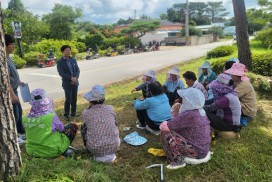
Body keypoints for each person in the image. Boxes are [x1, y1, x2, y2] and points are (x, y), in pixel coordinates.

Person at [160, 88, 211, 169]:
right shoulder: (200, 111)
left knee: (165, 133)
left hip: (197, 151)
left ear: (188, 101)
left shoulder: (189, 114)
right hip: (203, 149)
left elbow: (166, 126)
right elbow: (179, 124)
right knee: (173, 130)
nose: (182, 100)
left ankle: (177, 161)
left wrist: (173, 114)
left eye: (184, 99)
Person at [22, 88, 78, 158]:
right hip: (52, 150)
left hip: (32, 151)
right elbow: (62, 129)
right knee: (72, 126)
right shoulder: (51, 116)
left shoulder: (24, 118)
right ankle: (64, 149)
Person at [81, 85, 120, 163]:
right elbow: (115, 123)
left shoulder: (86, 113)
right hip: (114, 145)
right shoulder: (110, 108)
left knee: (84, 127)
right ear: (104, 99)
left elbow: (87, 124)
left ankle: (89, 148)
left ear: (90, 101)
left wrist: (89, 107)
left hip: (95, 149)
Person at [5, 34, 25, 144]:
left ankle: (21, 133)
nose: (13, 46)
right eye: (11, 44)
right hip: (10, 92)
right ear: (5, 45)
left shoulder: (8, 57)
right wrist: (12, 95)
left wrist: (19, 81)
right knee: (14, 115)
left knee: (19, 112)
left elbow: (12, 75)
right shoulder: (3, 60)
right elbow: (5, 80)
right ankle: (15, 137)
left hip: (15, 89)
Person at [57, 45, 80, 121]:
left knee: (74, 99)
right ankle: (66, 114)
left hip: (75, 82)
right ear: (62, 52)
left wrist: (75, 78)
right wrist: (71, 78)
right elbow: (61, 73)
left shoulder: (73, 60)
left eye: (69, 50)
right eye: (66, 50)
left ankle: (73, 113)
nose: (68, 52)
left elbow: (77, 70)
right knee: (68, 99)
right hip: (67, 83)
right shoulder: (60, 62)